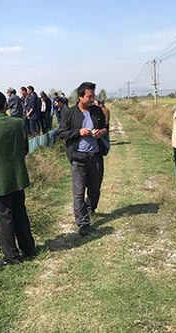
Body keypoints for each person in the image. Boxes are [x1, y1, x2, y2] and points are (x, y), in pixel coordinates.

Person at [0, 90, 36, 265]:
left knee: (5, 219)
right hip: (18, 177)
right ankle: (29, 249)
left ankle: (12, 256)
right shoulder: (18, 123)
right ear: (6, 105)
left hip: (0, 180)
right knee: (20, 214)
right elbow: (25, 149)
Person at [58, 82, 108, 236]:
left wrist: (102, 132)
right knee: (79, 192)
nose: (92, 99)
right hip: (78, 157)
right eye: (89, 96)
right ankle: (83, 223)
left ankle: (89, 209)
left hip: (95, 156)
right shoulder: (70, 113)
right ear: (80, 97)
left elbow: (106, 127)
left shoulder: (97, 111)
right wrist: (78, 132)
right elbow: (61, 133)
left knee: (95, 189)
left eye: (93, 96)